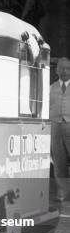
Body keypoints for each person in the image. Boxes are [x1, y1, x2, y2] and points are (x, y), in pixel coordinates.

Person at [50, 57, 70, 203]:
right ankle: (63, 193)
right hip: (55, 127)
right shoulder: (50, 87)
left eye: (67, 68)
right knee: (59, 161)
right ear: (56, 70)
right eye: (61, 68)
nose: (64, 71)